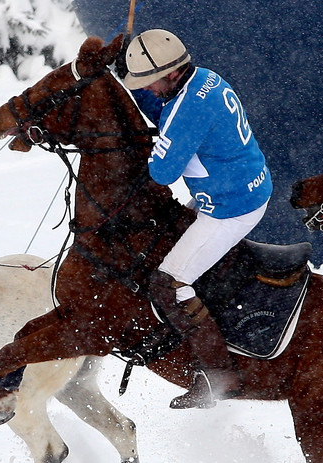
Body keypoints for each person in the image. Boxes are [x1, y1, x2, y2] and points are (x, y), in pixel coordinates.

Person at [122, 29, 273, 409]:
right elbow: (165, 110)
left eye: (147, 80)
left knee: (167, 282)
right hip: (244, 184)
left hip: (229, 209)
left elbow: (162, 172)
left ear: (171, 73)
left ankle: (216, 377)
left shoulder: (187, 111)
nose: (148, 88)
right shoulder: (203, 77)